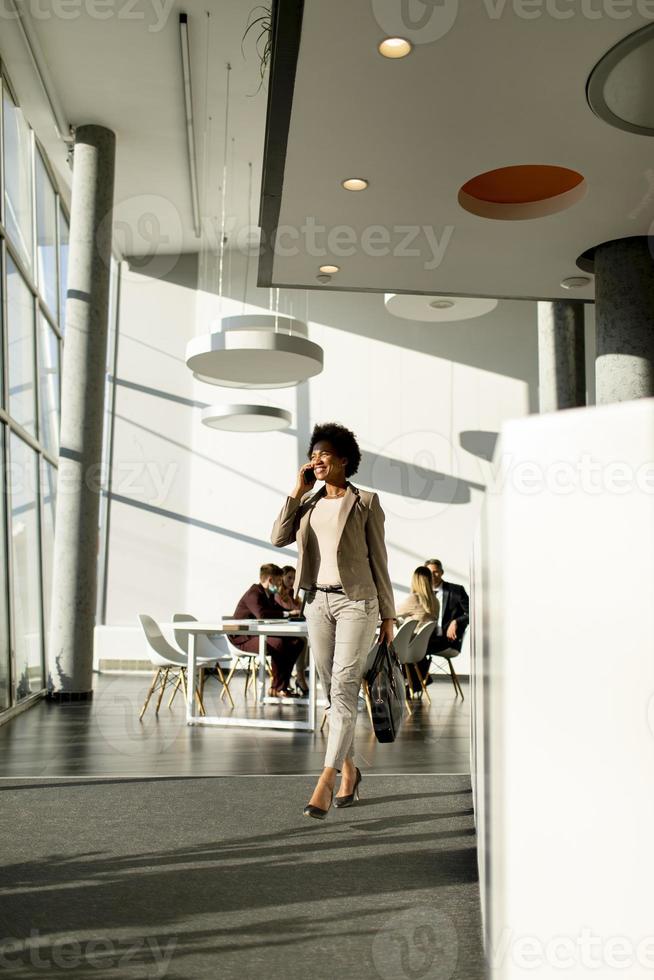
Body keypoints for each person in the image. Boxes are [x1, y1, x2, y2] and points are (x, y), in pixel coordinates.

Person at [271, 421, 395, 819]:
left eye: (325, 453)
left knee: (343, 684)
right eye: (313, 454)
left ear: (344, 460)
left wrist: (389, 615)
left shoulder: (366, 502)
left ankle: (324, 782)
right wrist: (297, 491)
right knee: (331, 691)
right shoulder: (307, 504)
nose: (316, 459)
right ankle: (350, 772)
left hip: (357, 603)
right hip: (317, 605)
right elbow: (277, 538)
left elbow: (380, 559)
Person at [230, 563, 304, 698]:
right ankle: (278, 687)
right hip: (243, 638)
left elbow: (276, 610)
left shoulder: (267, 594)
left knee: (296, 643)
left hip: (257, 635)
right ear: (270, 580)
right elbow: (262, 615)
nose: (279, 584)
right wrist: (288, 614)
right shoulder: (254, 593)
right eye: (278, 581)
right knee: (278, 643)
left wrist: (293, 613)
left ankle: (280, 687)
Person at [396, 565, 439, 693]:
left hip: (407, 648)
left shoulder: (414, 599)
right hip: (421, 648)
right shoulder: (435, 601)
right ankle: (416, 679)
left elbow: (390, 613)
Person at [424, 558, 470, 656]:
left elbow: (473, 614)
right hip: (427, 638)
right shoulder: (422, 592)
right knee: (407, 646)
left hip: (449, 640)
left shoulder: (456, 591)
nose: (432, 575)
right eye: (429, 572)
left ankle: (418, 671)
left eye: (435, 572)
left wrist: (456, 622)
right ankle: (418, 671)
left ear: (442, 572)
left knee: (414, 649)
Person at [275, 565, 309, 695]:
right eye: (289, 577)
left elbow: (301, 612)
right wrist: (293, 612)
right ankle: (299, 675)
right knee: (302, 641)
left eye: (294, 578)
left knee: (304, 640)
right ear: (282, 578)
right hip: (281, 633)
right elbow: (285, 613)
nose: (292, 581)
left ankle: (299, 674)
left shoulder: (293, 596)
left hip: (293, 631)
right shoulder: (278, 595)